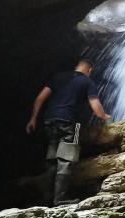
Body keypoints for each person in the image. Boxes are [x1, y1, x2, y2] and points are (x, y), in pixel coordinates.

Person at [26, 58, 111, 206]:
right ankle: (61, 198)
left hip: (50, 121)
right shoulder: (86, 81)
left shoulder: (58, 77)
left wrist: (33, 119)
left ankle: (47, 197)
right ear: (89, 70)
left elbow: (39, 99)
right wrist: (104, 116)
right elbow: (95, 106)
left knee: (52, 158)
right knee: (66, 159)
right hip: (69, 122)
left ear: (76, 67)